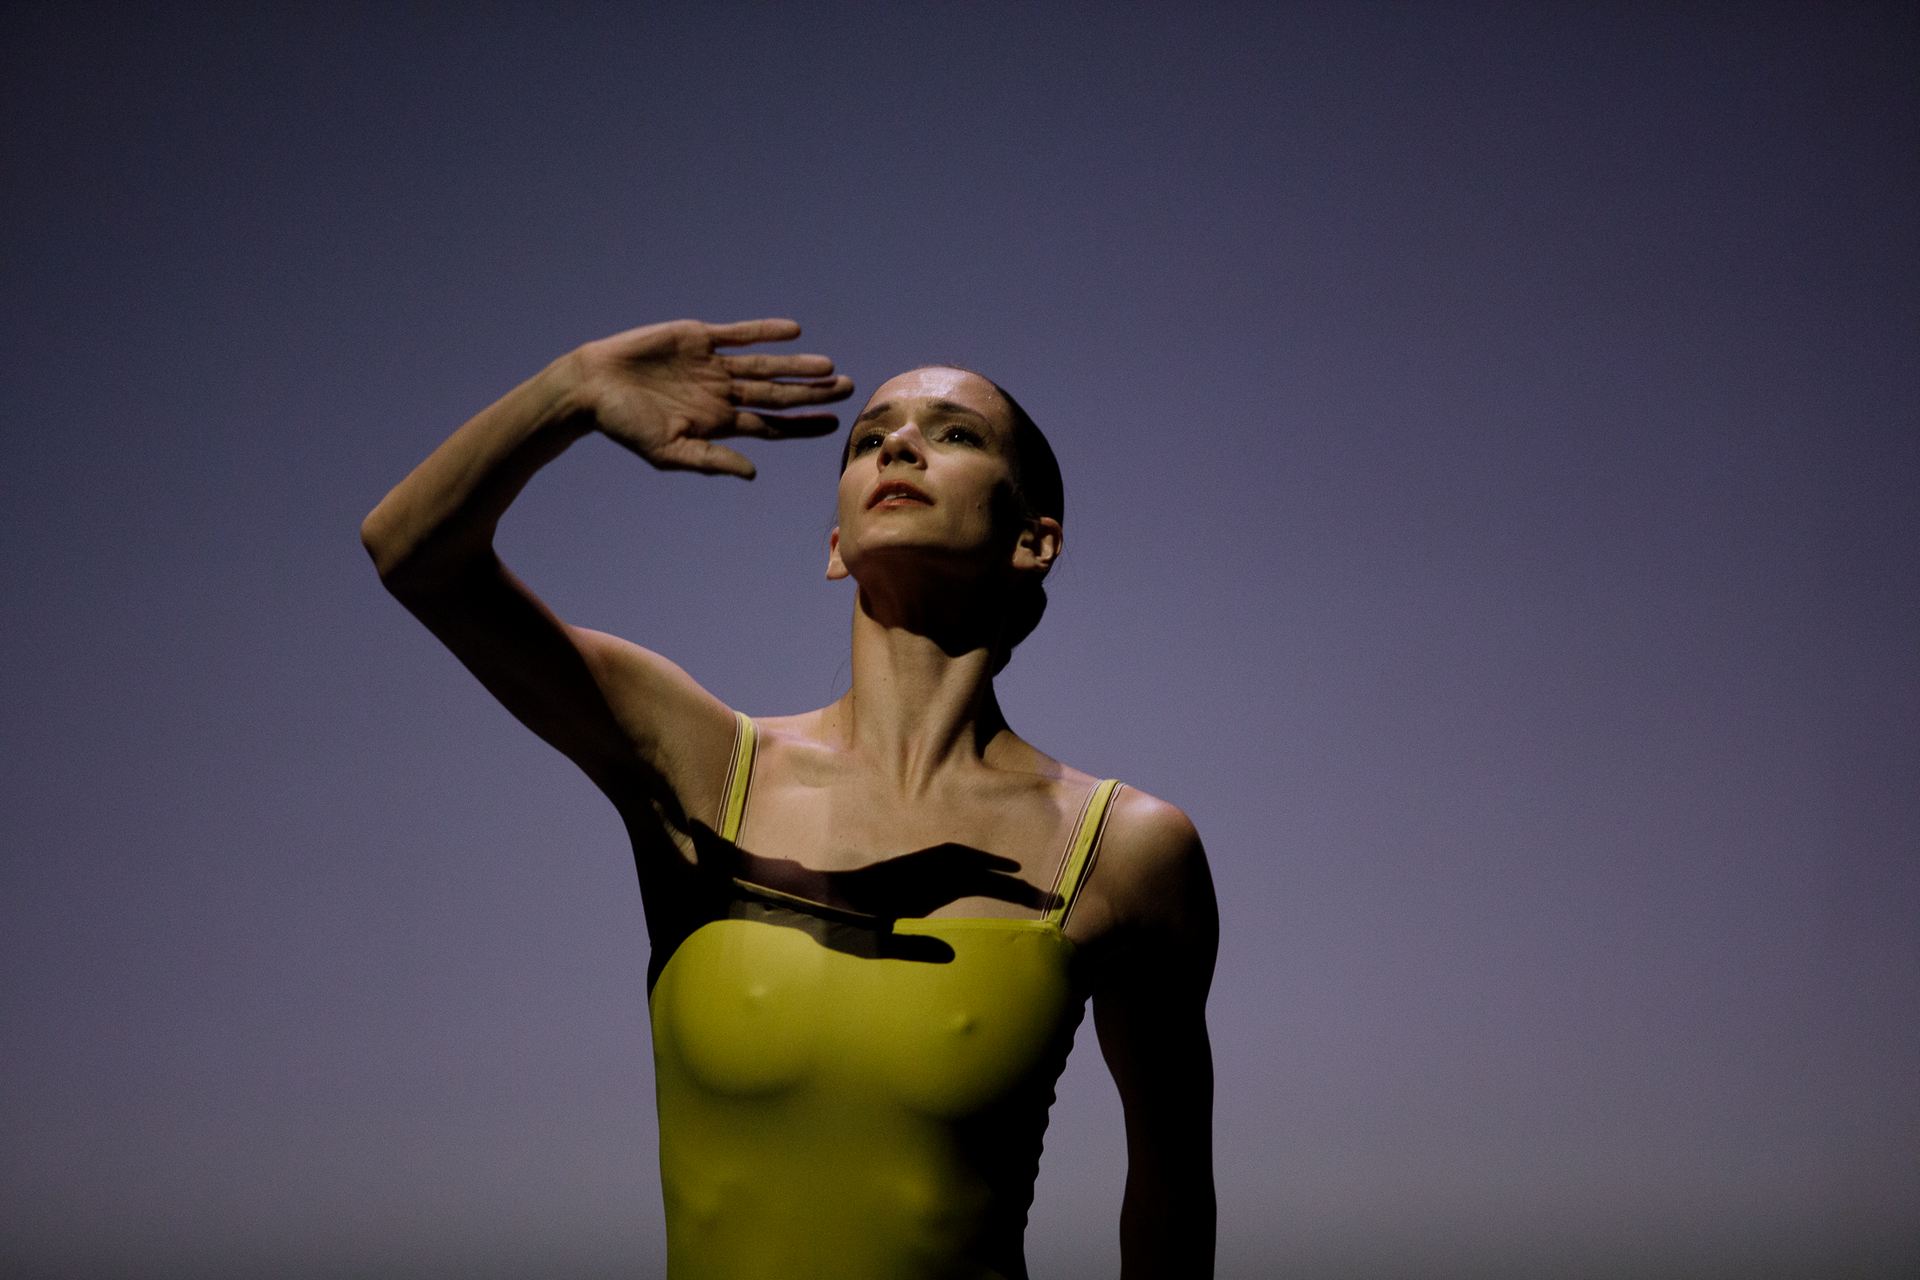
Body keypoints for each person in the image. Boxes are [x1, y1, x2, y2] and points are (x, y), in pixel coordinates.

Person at [359, 317, 1218, 1279]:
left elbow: (1172, 1203)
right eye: (870, 438)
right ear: (836, 546)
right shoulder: (707, 768)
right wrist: (571, 390)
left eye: (954, 434)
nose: (899, 445)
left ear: (1034, 540)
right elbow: (412, 553)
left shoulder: (1124, 849)